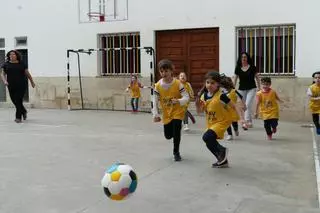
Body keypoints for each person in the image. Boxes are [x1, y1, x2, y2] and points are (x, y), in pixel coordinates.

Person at [196, 71, 235, 168]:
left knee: (206, 137)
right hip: (211, 123)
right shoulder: (204, 96)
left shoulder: (221, 96)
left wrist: (243, 119)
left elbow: (234, 106)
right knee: (208, 142)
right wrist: (197, 105)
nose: (209, 85)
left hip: (222, 121)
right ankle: (222, 160)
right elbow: (200, 112)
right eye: (208, 82)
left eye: (212, 83)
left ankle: (222, 151)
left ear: (218, 84)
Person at [153, 59, 189, 161]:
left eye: (166, 71)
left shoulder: (178, 84)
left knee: (176, 131)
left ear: (171, 71)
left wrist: (178, 101)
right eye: (161, 71)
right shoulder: (157, 86)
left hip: (178, 111)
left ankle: (176, 152)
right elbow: (154, 101)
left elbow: (186, 97)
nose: (164, 73)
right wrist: (155, 114)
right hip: (167, 114)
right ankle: (174, 131)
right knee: (168, 136)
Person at [1, 50, 35, 123]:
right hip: (11, 85)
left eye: (13, 54)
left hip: (21, 85)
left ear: (17, 56)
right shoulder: (6, 64)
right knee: (14, 101)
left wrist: (32, 82)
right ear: (8, 56)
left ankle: (18, 117)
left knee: (18, 100)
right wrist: (5, 81)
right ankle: (24, 111)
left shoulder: (21, 64)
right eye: (10, 55)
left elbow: (27, 74)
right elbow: (2, 74)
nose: (12, 56)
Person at [234, 52, 260, 129]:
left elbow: (257, 78)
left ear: (247, 58)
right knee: (242, 106)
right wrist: (232, 88)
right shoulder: (238, 67)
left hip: (251, 88)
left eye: (245, 57)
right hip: (241, 89)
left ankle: (246, 122)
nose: (244, 58)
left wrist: (259, 87)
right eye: (242, 57)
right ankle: (250, 122)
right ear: (240, 59)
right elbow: (235, 78)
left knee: (247, 105)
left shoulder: (252, 67)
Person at [220, 75, 246, 140]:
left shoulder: (234, 91)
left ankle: (236, 130)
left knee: (234, 123)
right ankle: (230, 134)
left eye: (223, 86)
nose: (222, 88)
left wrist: (244, 105)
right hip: (225, 111)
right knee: (227, 123)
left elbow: (241, 97)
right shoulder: (221, 93)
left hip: (233, 110)